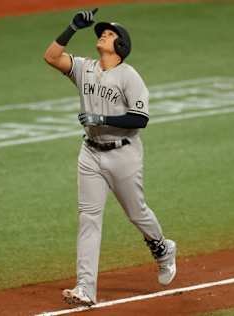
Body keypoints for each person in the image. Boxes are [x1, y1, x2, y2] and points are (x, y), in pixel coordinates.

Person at [43, 8, 177, 307]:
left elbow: (140, 118)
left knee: (137, 213)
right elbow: (52, 57)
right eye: (103, 32)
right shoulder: (85, 68)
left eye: (110, 33)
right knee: (88, 218)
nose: (103, 34)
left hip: (124, 155)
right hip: (90, 153)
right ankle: (85, 288)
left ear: (121, 46)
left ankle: (162, 248)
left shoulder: (129, 76)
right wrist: (71, 28)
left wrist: (100, 117)